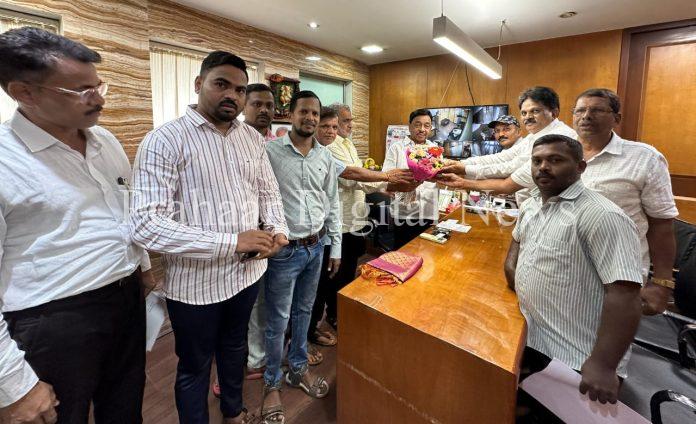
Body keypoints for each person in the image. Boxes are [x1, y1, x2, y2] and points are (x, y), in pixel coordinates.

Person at [0, 27, 153, 423]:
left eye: (99, 86)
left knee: (124, 410)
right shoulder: (5, 159)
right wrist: (13, 384)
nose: (98, 98)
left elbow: (124, 210)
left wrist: (143, 268)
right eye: (81, 91)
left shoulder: (105, 141)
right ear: (24, 92)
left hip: (125, 298)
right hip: (53, 319)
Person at [131, 51, 289, 424]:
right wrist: (233, 242)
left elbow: (267, 192)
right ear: (199, 84)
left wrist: (278, 229)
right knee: (194, 367)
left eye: (240, 89)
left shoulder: (251, 138)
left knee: (234, 348)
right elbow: (146, 224)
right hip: (195, 287)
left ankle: (233, 411)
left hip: (247, 275)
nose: (232, 94)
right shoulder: (164, 140)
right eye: (221, 84)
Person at [442, 88, 678, 314]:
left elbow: (661, 223)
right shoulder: (554, 152)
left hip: (612, 276)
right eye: (580, 110)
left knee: (604, 336)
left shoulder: (644, 158)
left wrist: (662, 282)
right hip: (554, 269)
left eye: (597, 110)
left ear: (616, 118)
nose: (586, 116)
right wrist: (462, 170)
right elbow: (513, 179)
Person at [506, 134, 643, 420]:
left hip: (576, 357)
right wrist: (514, 273)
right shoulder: (532, 203)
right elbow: (517, 242)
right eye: (536, 161)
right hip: (535, 338)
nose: (543, 167)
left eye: (555, 160)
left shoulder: (602, 215)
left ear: (580, 167)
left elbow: (626, 294)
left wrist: (604, 365)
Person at [308, 106, 418, 351]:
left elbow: (362, 180)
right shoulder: (330, 146)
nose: (347, 125)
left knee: (346, 273)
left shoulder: (347, 143)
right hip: (338, 224)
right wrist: (387, 178)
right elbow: (351, 177)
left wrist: (386, 185)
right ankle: (320, 322)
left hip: (355, 220)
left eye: (340, 124)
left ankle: (337, 313)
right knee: (329, 277)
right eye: (340, 122)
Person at [262, 91, 341, 423]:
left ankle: (297, 368)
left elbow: (332, 202)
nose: (310, 118)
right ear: (291, 114)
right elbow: (259, 197)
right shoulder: (270, 152)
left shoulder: (325, 156)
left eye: (315, 113)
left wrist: (336, 246)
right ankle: (271, 383)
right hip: (285, 250)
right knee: (277, 320)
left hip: (317, 246)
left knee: (305, 312)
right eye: (304, 111)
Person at [440, 86, 576, 184]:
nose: (528, 117)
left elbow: (512, 167)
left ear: (554, 113)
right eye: (524, 113)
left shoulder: (558, 137)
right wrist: (461, 163)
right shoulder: (534, 135)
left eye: (535, 111)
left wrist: (464, 168)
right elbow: (504, 157)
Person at [383, 108, 439, 248]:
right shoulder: (397, 148)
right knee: (403, 253)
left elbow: (439, 174)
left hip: (428, 211)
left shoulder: (435, 149)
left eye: (426, 125)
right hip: (404, 213)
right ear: (409, 126)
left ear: (430, 128)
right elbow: (386, 176)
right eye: (417, 125)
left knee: (428, 253)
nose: (422, 129)